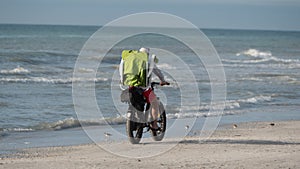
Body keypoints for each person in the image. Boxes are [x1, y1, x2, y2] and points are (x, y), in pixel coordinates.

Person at [119, 47, 168, 130]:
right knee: (155, 102)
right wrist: (163, 81)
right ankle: (154, 124)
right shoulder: (148, 60)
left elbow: (121, 70)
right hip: (144, 88)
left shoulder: (130, 59)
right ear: (147, 54)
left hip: (130, 87)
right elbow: (158, 72)